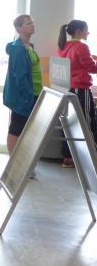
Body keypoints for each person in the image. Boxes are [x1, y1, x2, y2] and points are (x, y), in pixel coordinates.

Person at [57, 19, 97, 167]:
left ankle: (68, 157)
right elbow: (92, 68)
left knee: (69, 123)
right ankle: (91, 156)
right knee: (86, 121)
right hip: (80, 89)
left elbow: (77, 63)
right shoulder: (82, 46)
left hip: (67, 89)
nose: (88, 33)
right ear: (79, 32)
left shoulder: (64, 46)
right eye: (86, 30)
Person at [4, 14, 42, 155]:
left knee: (26, 130)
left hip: (34, 93)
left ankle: (21, 161)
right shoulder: (18, 49)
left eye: (32, 22)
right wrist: (27, 97)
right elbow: (20, 77)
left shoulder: (29, 46)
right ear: (19, 28)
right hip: (25, 96)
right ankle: (13, 162)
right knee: (16, 128)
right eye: (28, 23)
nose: (32, 25)